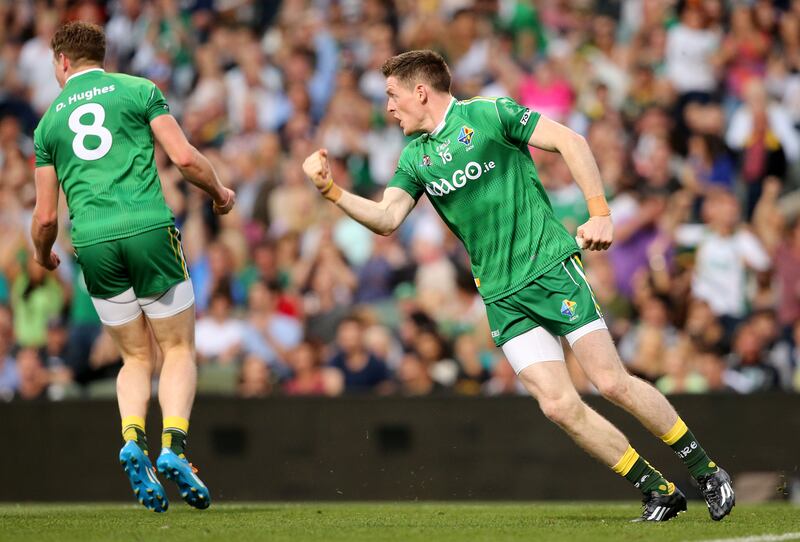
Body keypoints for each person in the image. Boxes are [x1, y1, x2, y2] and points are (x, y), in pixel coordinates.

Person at [302, 50, 734, 522]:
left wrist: (600, 213)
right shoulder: (415, 158)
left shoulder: (490, 114)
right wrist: (332, 191)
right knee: (558, 406)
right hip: (501, 295)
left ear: (419, 92)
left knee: (610, 382)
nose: (388, 106)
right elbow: (386, 218)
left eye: (392, 95)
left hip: (548, 269)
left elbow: (572, 141)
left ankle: (706, 469)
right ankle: (657, 489)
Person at [31, 22, 235, 513]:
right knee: (179, 347)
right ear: (103, 54)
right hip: (147, 229)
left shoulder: (47, 125)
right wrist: (219, 192)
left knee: (135, 359)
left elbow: (44, 216)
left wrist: (42, 255)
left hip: (93, 242)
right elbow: (184, 158)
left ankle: (131, 441)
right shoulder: (139, 89)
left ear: (62, 63)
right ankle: (174, 447)